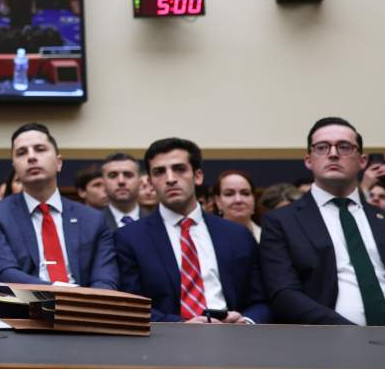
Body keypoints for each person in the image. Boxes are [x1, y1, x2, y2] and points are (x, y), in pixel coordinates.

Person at [260, 117, 385, 325]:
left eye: (344, 147)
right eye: (322, 147)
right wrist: (350, 333)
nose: (333, 154)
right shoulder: (282, 222)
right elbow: (283, 294)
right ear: (308, 160)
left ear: (362, 161)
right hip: (331, 342)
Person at [115, 138, 270, 323]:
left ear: (198, 176)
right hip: (166, 343)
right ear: (150, 182)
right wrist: (181, 326)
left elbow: (262, 300)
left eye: (179, 169)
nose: (171, 179)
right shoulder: (130, 238)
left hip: (234, 337)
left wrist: (246, 321)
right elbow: (131, 305)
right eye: (159, 172)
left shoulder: (237, 235)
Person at [0, 123, 117, 290]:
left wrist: (82, 304)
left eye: (40, 149)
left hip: (84, 311)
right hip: (20, 310)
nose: (31, 157)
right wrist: (65, 293)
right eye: (22, 153)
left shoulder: (93, 219)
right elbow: (2, 274)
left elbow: (106, 280)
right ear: (15, 167)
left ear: (58, 163)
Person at [213, 170, 261, 241]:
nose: (238, 200)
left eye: (245, 193)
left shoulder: (269, 237)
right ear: (218, 201)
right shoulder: (206, 239)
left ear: (254, 199)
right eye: (229, 194)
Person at [102, 152, 143, 229]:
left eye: (128, 175)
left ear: (140, 182)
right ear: (103, 183)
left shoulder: (159, 221)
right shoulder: (92, 223)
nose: (121, 181)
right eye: (113, 175)